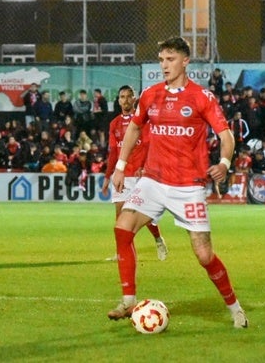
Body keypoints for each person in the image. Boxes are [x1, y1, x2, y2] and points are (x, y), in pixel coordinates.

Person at [108, 37, 248, 329]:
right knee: (122, 227)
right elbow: (134, 128)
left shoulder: (201, 97)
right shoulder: (150, 95)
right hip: (153, 180)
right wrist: (120, 166)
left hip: (188, 186)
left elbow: (226, 136)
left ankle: (235, 308)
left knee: (204, 255)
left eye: (170, 59)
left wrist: (223, 163)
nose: (164, 65)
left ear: (185, 61)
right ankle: (128, 299)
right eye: (161, 60)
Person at [102, 85, 168, 262]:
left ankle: (158, 239)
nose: (125, 100)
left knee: (145, 217)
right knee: (119, 215)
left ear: (134, 99)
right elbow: (114, 153)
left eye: (128, 96)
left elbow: (149, 145)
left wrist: (145, 166)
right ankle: (121, 253)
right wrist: (108, 176)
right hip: (122, 175)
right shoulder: (114, 124)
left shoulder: (142, 122)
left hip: (140, 176)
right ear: (118, 100)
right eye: (122, 97)